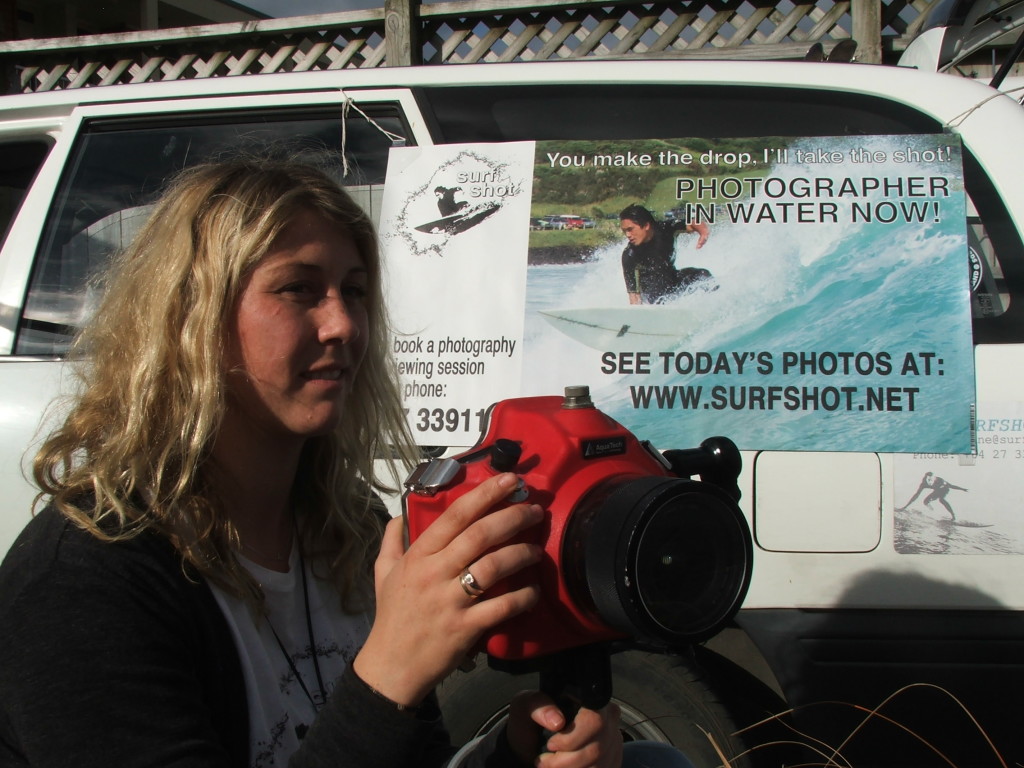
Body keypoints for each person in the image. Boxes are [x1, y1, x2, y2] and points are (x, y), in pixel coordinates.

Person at [0, 156, 623, 768]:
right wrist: (390, 673)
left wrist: (514, 757)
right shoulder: (85, 578)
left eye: (354, 292)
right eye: (299, 288)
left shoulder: (347, 528)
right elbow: (379, 708)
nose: (344, 325)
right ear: (193, 317)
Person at [619, 204, 712, 305]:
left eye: (630, 229)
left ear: (646, 225)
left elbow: (693, 223)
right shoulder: (629, 255)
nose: (627, 235)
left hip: (673, 279)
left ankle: (714, 305)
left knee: (703, 275)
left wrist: (703, 232)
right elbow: (634, 297)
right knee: (657, 289)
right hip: (654, 295)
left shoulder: (666, 229)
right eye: (625, 231)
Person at [898, 471, 968, 520]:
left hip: (944, 490)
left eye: (931, 480)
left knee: (941, 500)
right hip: (937, 491)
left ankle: (953, 516)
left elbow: (951, 486)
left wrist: (962, 489)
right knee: (925, 502)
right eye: (928, 479)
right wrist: (905, 507)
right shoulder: (923, 484)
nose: (930, 481)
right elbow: (916, 496)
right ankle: (932, 512)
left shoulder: (939, 480)